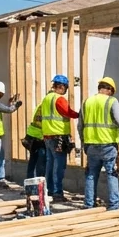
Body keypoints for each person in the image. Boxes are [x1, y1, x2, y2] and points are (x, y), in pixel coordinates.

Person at [81, 76, 119, 210]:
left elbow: (80, 125)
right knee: (111, 173)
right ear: (110, 89)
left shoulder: (87, 101)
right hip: (108, 145)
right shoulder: (111, 101)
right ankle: (114, 205)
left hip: (91, 145)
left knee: (91, 174)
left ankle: (89, 204)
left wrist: (84, 143)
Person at [34, 74, 80, 202]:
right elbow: (67, 112)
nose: (65, 90)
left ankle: (48, 190)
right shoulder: (59, 99)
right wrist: (79, 114)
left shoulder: (46, 98)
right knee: (59, 166)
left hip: (48, 136)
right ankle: (58, 193)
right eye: (65, 87)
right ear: (61, 87)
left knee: (50, 164)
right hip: (58, 137)